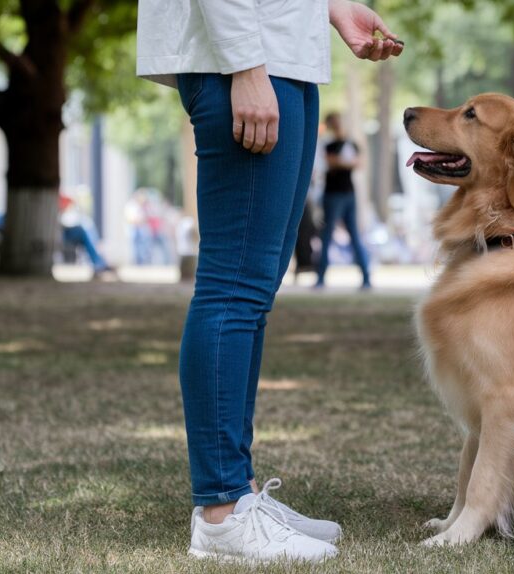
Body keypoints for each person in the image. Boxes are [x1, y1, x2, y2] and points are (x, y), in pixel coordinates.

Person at [136, 0, 402, 563]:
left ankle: (238, 491)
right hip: (246, 58)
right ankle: (221, 513)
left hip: (283, 53)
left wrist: (329, 7)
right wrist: (246, 66)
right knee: (232, 289)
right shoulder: (246, 65)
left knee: (252, 294)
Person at [314, 112, 371, 289]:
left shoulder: (350, 143)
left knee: (354, 235)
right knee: (327, 235)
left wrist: (341, 163)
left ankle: (366, 277)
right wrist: (346, 162)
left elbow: (358, 163)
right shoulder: (330, 145)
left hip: (348, 194)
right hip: (333, 194)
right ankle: (321, 277)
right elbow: (332, 163)